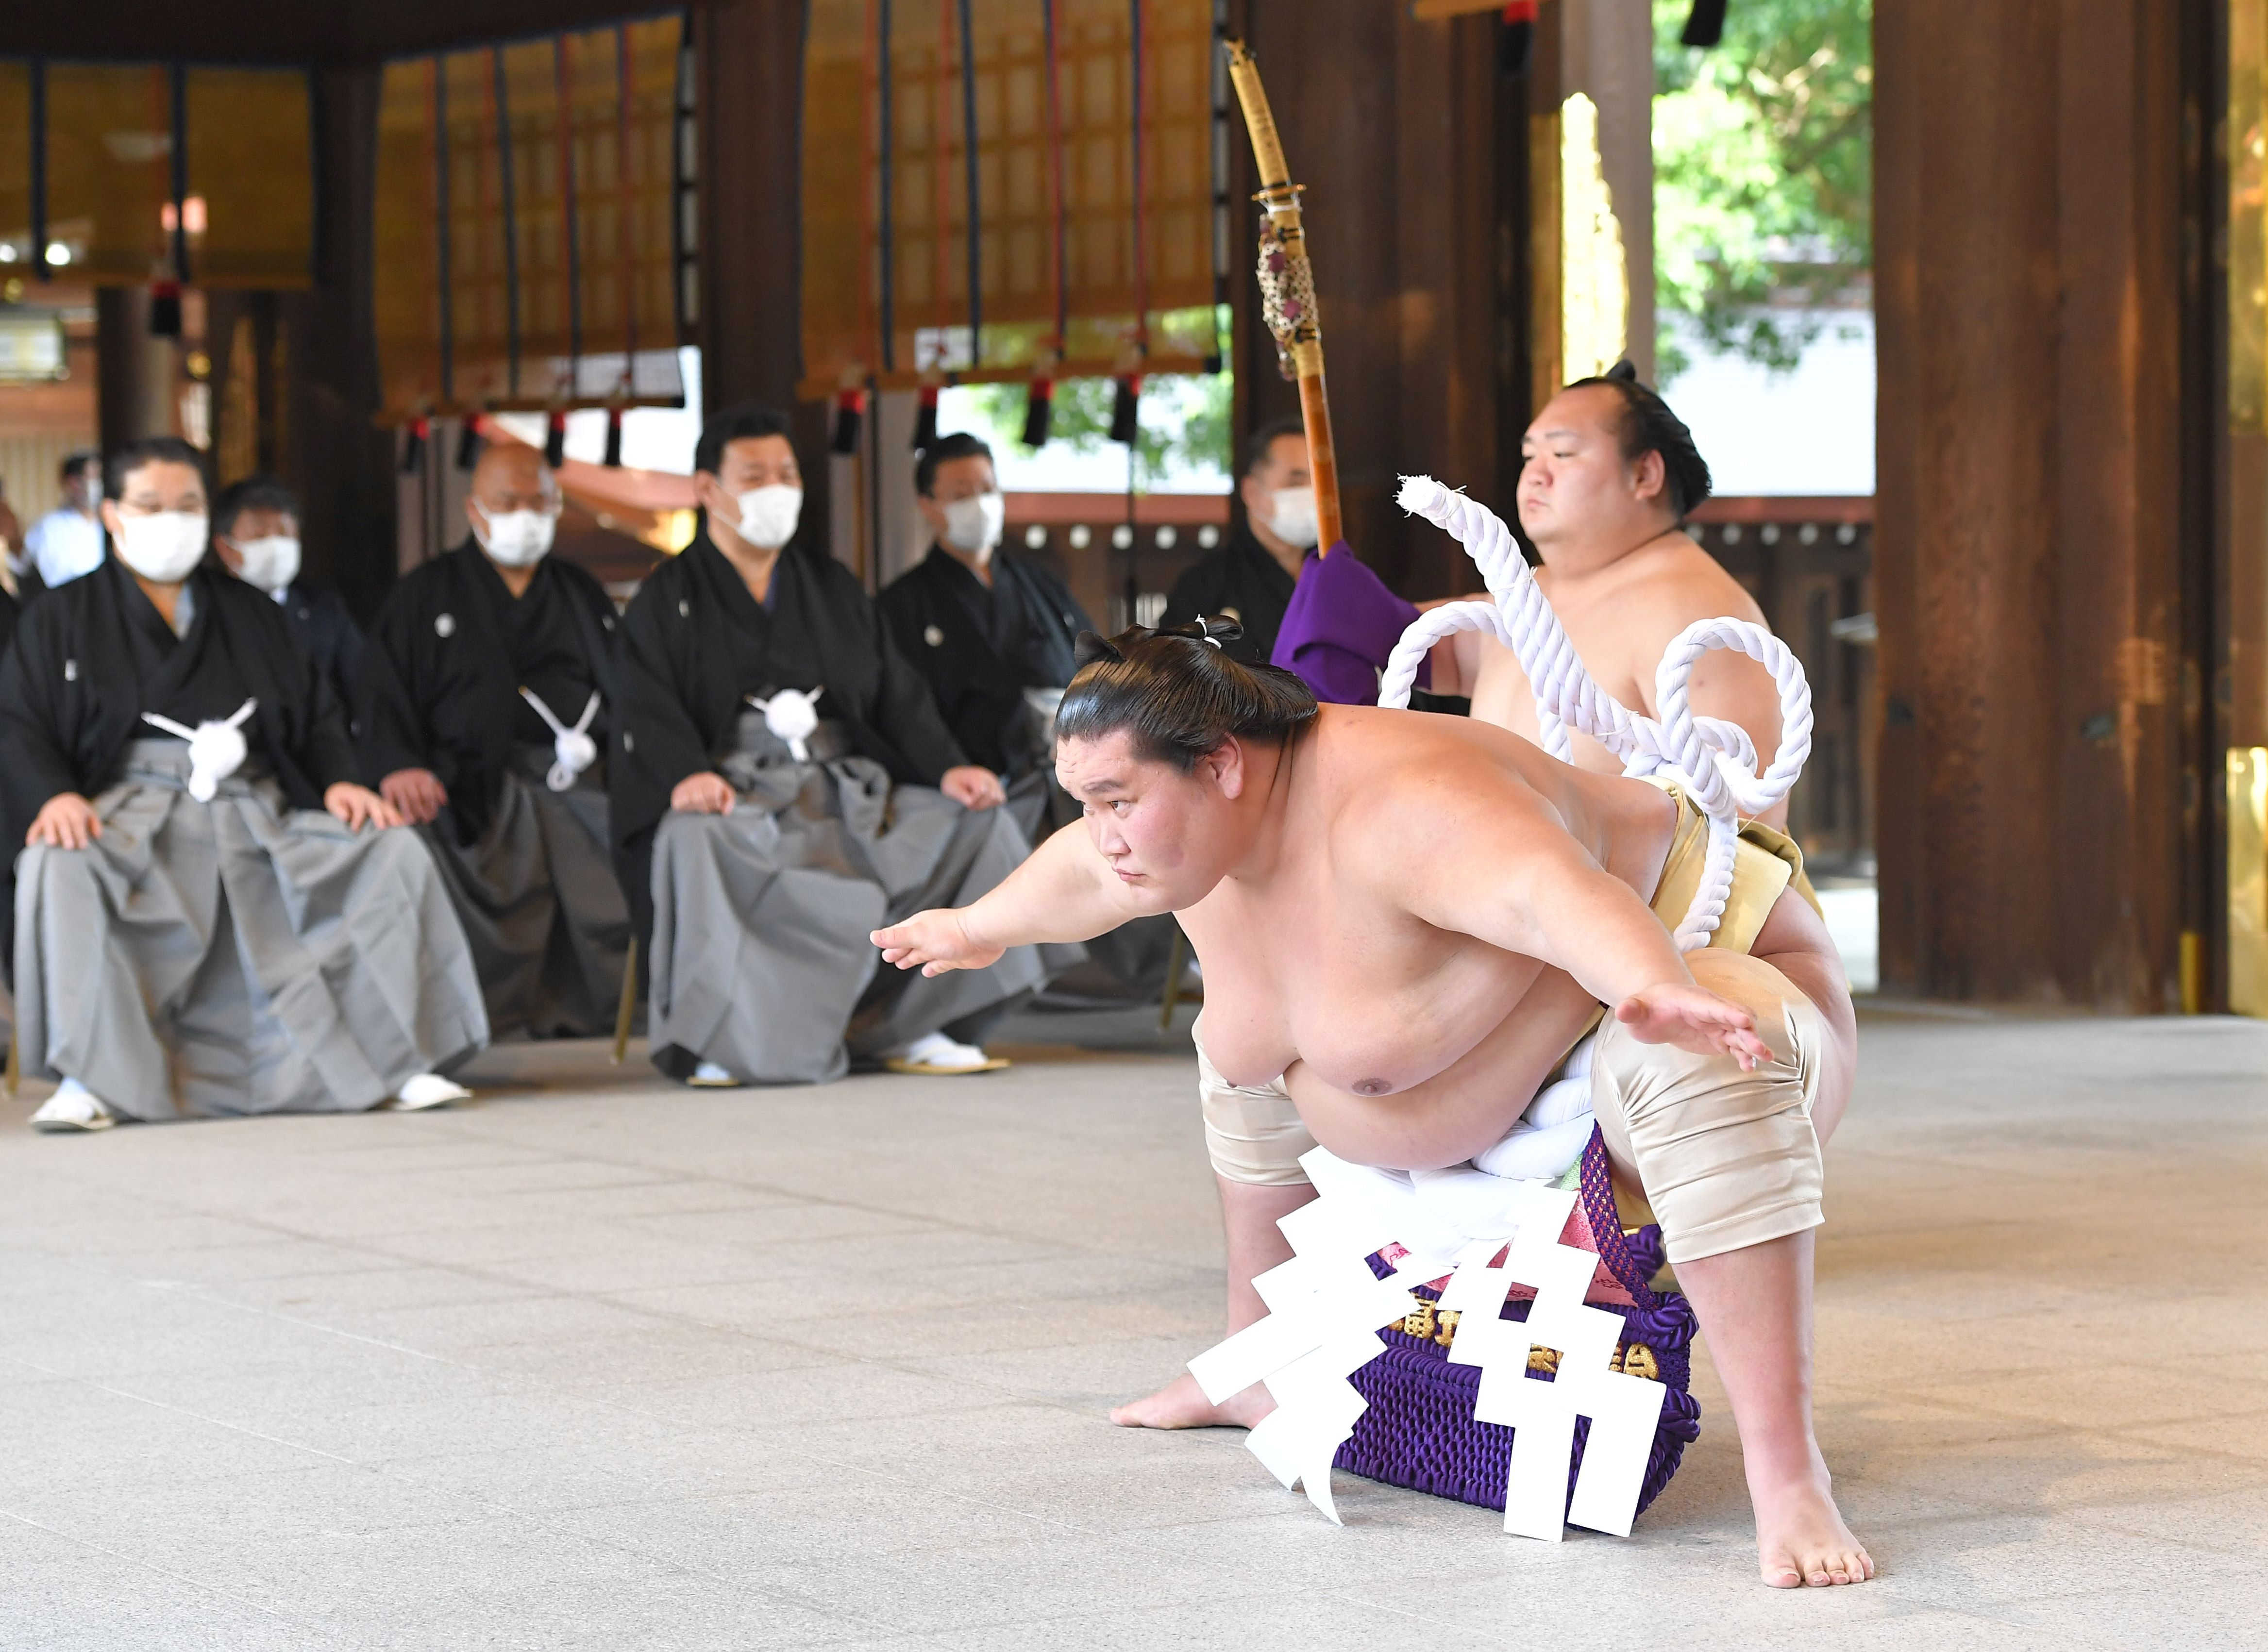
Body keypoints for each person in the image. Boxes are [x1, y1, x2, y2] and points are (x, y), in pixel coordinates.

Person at [875, 626, 1867, 1589]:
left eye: (1115, 800)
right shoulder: (1184, 840)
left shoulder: (1405, 804)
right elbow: (1083, 872)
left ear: (1220, 764)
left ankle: (1788, 1475)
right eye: (1086, 801)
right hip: (1506, 1050)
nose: (1105, 833)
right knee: (1239, 1046)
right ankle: (1249, 1362)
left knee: (1693, 1062)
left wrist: (1650, 984)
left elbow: (1550, 896)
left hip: (1692, 952)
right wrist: (974, 928)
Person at [1, 436, 487, 1131]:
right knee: (57, 862)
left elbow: (315, 715)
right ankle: (92, 1075)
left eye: (188, 504)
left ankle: (396, 1057)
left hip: (254, 805)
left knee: (391, 850)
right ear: (111, 514)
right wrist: (54, 795)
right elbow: (19, 722)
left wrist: (341, 783)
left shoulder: (253, 612)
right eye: (150, 505)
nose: (171, 519)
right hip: (129, 810)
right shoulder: (60, 615)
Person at [610, 403, 1072, 1085]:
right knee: (691, 840)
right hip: (736, 791)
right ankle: (726, 1038)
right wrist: (685, 773)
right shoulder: (667, 595)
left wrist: (946, 766)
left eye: (786, 472)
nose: (777, 486)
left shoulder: (827, 586)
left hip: (843, 786)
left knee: (975, 824)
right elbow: (641, 700)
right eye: (755, 474)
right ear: (707, 489)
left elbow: (894, 691)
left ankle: (917, 1022)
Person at [880, 433, 1177, 998]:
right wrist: (950, 766)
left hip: (1068, 752)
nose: (979, 501)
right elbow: (905, 703)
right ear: (928, 506)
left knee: (1145, 805)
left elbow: (1098, 666)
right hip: (984, 767)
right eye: (961, 491)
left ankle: (1162, 968)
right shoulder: (904, 603)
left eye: (987, 488)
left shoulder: (1038, 584)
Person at [1428, 366, 1788, 824]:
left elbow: (1744, 830)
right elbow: (1438, 651)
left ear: (1644, 474)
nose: (1535, 475)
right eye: (1528, 456)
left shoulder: (1694, 608)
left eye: (1562, 453)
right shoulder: (1528, 591)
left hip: (1629, 894)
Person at [358, 441, 631, 1040]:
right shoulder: (424, 594)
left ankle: (588, 1014)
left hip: (575, 781)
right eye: (508, 501)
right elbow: (381, 695)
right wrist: (400, 765)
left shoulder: (580, 593)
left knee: (614, 862)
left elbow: (626, 692)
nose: (525, 514)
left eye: (540, 501)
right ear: (474, 508)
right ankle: (484, 1020)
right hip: (463, 785)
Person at [210, 474, 366, 734]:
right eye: (259, 535)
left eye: (284, 534)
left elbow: (363, 685)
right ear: (225, 547)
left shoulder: (323, 609)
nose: (274, 545)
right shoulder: (207, 609)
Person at [1160, 417, 1316, 666]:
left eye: (1317, 483)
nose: (1311, 495)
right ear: (1252, 492)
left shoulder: (1339, 577)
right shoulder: (1205, 586)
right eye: (1296, 482)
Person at [10, 451, 107, 596]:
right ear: (73, 483)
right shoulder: (49, 528)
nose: (99, 484)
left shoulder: (110, 522)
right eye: (94, 477)